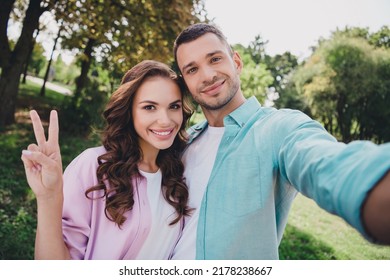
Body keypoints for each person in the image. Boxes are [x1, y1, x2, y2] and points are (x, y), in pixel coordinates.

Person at [171, 23, 390, 260]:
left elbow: (326, 162)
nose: (207, 75)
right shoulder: (182, 143)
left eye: (214, 59)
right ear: (185, 81)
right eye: (192, 69)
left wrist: (372, 184)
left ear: (236, 62)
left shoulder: (279, 128)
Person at [21, 60, 193, 260]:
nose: (165, 120)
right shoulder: (93, 167)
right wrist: (48, 197)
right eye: (149, 107)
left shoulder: (177, 172)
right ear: (129, 111)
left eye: (174, 106)